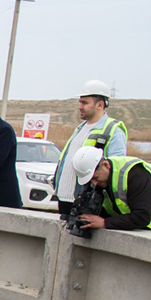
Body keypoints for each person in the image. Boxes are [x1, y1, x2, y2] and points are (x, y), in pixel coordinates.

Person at [71, 147, 151, 237]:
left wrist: (104, 223)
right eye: (90, 181)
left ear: (106, 165)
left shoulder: (134, 174)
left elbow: (142, 217)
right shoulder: (105, 179)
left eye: (95, 178)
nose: (94, 184)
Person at [51, 79, 128, 216]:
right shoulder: (80, 128)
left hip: (87, 203)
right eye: (80, 102)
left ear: (100, 105)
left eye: (85, 103)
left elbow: (115, 172)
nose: (80, 106)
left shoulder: (113, 131)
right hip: (65, 199)